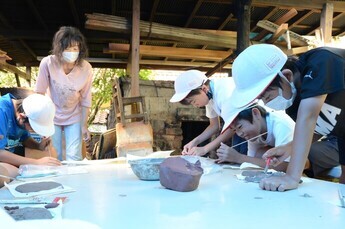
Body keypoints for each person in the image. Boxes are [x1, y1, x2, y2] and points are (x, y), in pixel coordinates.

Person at [229, 44, 345, 191]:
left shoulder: (321, 61)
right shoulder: (292, 104)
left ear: (287, 76)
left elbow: (309, 118)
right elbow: (319, 127)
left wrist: (291, 177)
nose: (266, 103)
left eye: (268, 96)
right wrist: (289, 148)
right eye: (262, 99)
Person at [35, 26, 93, 161]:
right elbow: (39, 94)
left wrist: (84, 126)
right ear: (59, 49)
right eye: (67, 48)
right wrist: (41, 124)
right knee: (55, 155)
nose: (71, 52)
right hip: (52, 115)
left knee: (74, 156)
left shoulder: (86, 68)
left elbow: (85, 99)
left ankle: (74, 182)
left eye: (75, 49)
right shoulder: (47, 63)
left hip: (74, 116)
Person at [170, 70, 236, 157]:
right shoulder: (209, 95)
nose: (195, 105)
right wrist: (194, 142)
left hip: (252, 127)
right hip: (241, 129)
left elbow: (233, 127)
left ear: (204, 89)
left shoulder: (224, 92)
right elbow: (214, 126)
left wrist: (205, 149)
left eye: (193, 101)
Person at [0, 93, 61, 187]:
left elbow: (24, 138)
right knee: (3, 175)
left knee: (50, 154)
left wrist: (39, 146)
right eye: (32, 128)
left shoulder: (23, 114)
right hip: (3, 158)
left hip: (10, 154)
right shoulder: (2, 111)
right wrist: (36, 163)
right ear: (22, 117)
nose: (33, 131)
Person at [216, 104, 295, 172]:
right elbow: (252, 160)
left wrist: (238, 157)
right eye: (235, 130)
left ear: (256, 113)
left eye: (240, 127)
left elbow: (285, 166)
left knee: (261, 154)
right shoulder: (254, 132)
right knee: (259, 154)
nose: (239, 134)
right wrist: (229, 157)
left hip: (299, 164)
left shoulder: (281, 124)